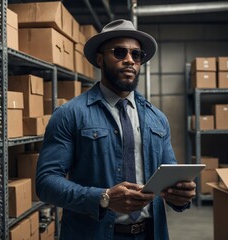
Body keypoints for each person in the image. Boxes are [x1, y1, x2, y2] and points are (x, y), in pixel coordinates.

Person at [36, 19, 196, 240]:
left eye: (136, 55)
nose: (129, 60)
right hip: (93, 235)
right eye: (119, 53)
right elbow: (46, 183)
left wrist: (182, 196)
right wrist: (104, 198)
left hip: (149, 233)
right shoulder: (69, 114)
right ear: (100, 59)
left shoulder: (157, 119)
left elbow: (170, 180)